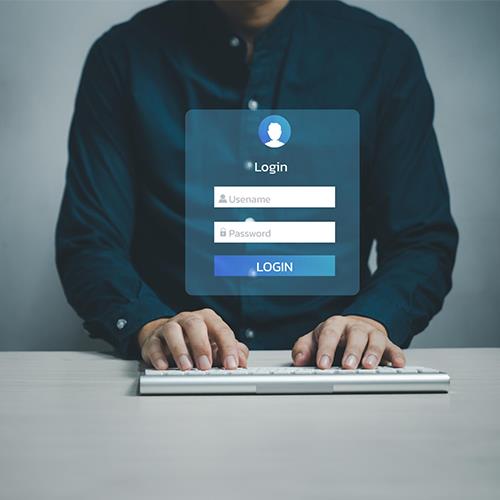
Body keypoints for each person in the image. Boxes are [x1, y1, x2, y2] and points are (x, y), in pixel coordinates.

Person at [56, 0, 458, 372]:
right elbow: (90, 239)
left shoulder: (382, 56)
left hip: (335, 369)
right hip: (177, 373)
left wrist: (372, 318)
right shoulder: (122, 58)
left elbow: (420, 238)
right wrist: (150, 323)